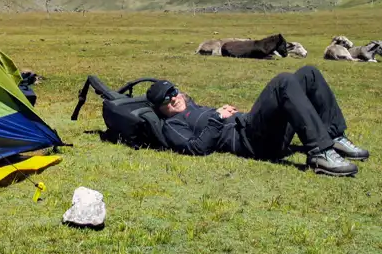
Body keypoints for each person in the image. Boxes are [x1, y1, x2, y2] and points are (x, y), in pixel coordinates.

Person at [146, 65, 369, 177]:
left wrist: (219, 111)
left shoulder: (190, 105)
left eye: (173, 91)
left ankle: (334, 135)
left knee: (308, 74)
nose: (174, 97)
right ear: (161, 108)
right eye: (167, 98)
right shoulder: (171, 126)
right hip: (251, 140)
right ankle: (320, 154)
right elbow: (196, 148)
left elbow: (203, 117)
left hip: (255, 128)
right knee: (283, 82)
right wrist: (216, 117)